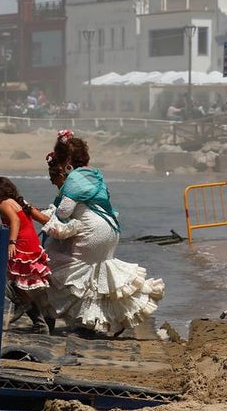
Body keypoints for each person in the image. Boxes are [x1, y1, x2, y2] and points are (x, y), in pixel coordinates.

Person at [29, 131, 163, 337]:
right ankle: (111, 321)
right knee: (98, 275)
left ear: (67, 160)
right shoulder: (95, 174)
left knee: (67, 271)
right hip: (109, 228)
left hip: (91, 230)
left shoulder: (73, 178)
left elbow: (64, 212)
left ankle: (85, 324)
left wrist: (43, 213)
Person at [0, 175, 56, 334]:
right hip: (33, 246)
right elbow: (44, 220)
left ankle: (26, 308)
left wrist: (11, 242)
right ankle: (44, 319)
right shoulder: (21, 202)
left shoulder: (4, 204)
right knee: (25, 283)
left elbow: (15, 221)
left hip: (20, 246)